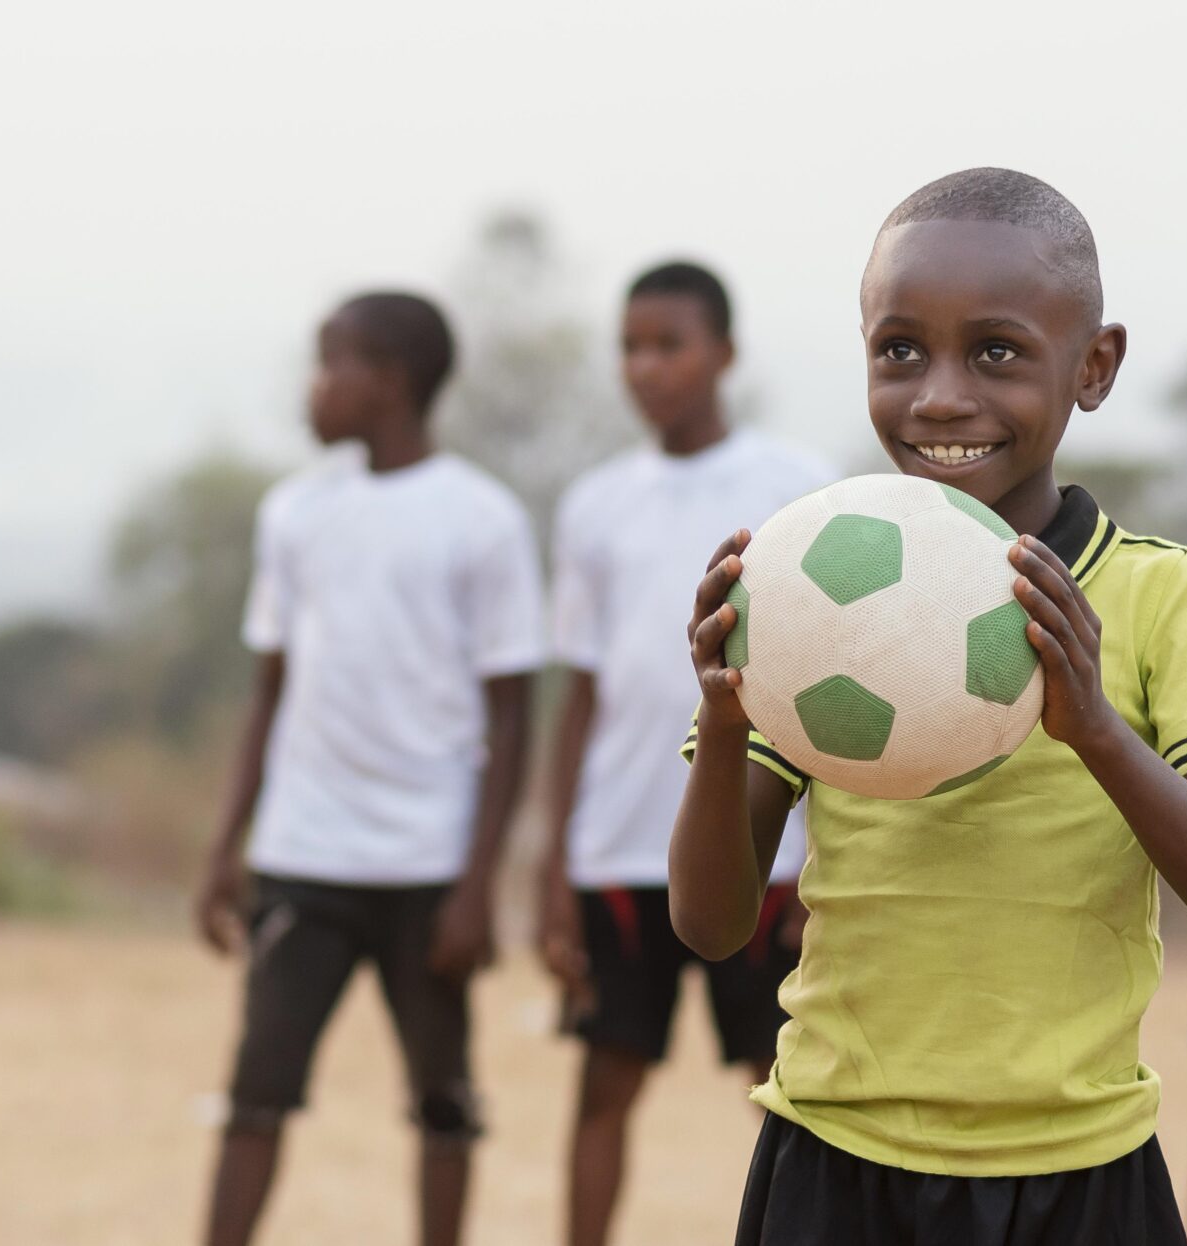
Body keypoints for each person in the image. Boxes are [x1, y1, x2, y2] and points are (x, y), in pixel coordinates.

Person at [670, 168, 1187, 1245]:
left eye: (995, 351)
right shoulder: (808, 588)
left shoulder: (1160, 594)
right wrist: (728, 724)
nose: (941, 396)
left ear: (1092, 366)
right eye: (898, 349)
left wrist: (1095, 728)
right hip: (836, 1155)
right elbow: (711, 923)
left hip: (1081, 1167)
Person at [191, 291, 544, 1246]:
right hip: (303, 856)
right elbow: (268, 692)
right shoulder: (296, 513)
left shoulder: (483, 519)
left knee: (444, 1107)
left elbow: (513, 719)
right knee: (255, 1097)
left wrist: (478, 887)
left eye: (327, 364)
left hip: (426, 871)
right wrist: (227, 847)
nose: (311, 388)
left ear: (387, 382)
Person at [538, 260, 836, 1246]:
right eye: (629, 345)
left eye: (668, 343)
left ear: (724, 353)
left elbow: (835, 675)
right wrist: (551, 861)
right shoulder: (591, 503)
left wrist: (826, 849)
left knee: (787, 1090)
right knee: (604, 1084)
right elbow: (578, 690)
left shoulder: (792, 486)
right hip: (619, 845)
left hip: (763, 849)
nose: (645, 366)